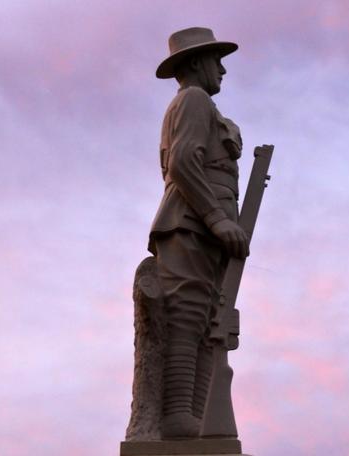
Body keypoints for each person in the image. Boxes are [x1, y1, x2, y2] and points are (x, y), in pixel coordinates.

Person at [149, 27, 248, 439]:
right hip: (190, 227)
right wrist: (218, 218)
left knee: (212, 324)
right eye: (214, 60)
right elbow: (184, 163)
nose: (222, 69)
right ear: (194, 64)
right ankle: (178, 414)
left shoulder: (203, 105)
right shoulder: (194, 99)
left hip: (205, 234)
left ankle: (196, 415)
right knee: (188, 320)